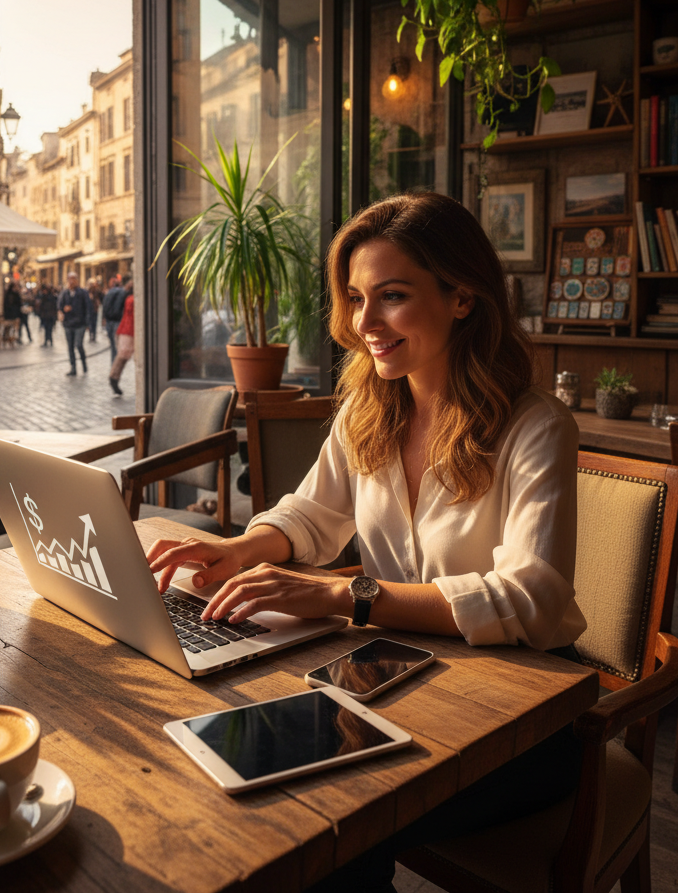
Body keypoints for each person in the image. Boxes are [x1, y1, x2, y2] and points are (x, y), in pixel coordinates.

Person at [146, 193, 585, 890]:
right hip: (396, 678)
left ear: (462, 297)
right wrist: (241, 548)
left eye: (392, 296)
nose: (363, 324)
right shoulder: (368, 409)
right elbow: (311, 515)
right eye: (355, 298)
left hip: (521, 718)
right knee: (260, 784)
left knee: (326, 823)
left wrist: (347, 596)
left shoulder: (537, 428)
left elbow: (530, 598)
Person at [58, 272, 91, 376]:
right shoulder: (65, 293)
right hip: (68, 324)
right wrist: (63, 310)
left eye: (73, 279)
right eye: (70, 279)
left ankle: (84, 364)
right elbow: (59, 306)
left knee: (79, 345)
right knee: (70, 347)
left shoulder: (83, 293)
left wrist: (87, 323)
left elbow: (88, 308)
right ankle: (73, 368)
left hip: (79, 324)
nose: (71, 281)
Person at [108, 277, 134, 396]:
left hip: (125, 330)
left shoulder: (128, 298)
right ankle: (114, 377)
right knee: (123, 355)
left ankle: (114, 377)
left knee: (122, 356)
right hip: (128, 331)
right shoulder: (131, 300)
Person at [101, 274, 129, 363]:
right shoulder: (123, 293)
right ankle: (115, 364)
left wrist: (104, 318)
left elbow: (104, 306)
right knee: (116, 345)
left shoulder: (108, 293)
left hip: (110, 321)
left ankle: (114, 363)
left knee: (113, 345)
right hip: (118, 320)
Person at [86, 276, 102, 342]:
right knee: (91, 323)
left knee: (93, 323)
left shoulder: (96, 291)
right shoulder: (87, 292)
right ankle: (91, 336)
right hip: (90, 309)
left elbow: (100, 298)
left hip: (94, 309)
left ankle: (93, 336)